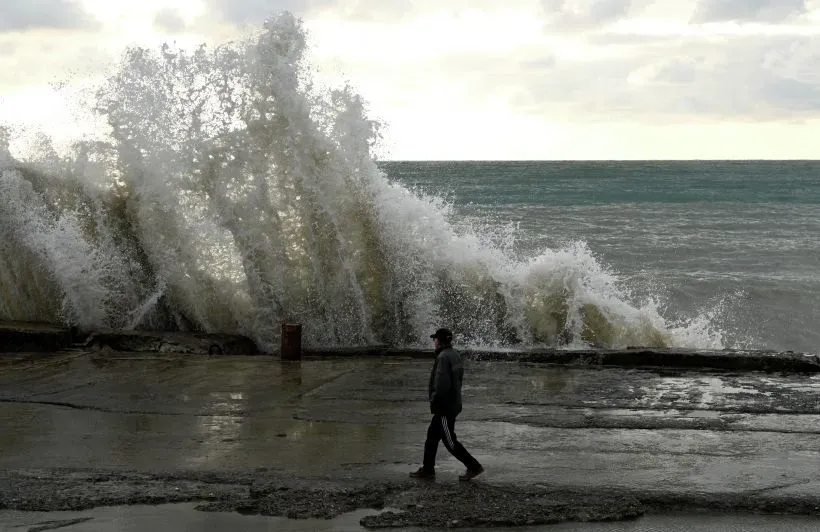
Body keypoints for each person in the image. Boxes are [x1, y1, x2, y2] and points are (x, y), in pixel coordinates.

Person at [410, 328, 484, 481]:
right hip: (452, 403)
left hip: (445, 407)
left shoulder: (443, 357)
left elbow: (442, 384)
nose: (434, 342)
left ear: (440, 341)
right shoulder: (455, 354)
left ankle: (474, 466)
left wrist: (435, 400)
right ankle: (428, 469)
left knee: (449, 441)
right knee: (432, 437)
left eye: (435, 339)